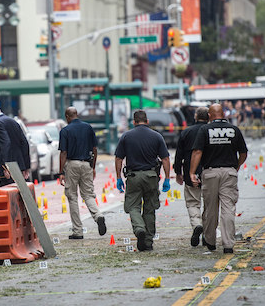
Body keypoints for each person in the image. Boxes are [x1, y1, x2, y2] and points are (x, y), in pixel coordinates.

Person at [189, 104, 247, 254]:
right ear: (223, 114)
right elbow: (243, 152)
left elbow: (197, 152)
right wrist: (236, 166)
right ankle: (228, 244)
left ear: (209, 115)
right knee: (228, 208)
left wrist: (192, 172)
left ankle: (210, 241)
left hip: (210, 173)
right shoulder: (234, 130)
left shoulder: (204, 130)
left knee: (210, 209)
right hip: (229, 172)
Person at [115, 110, 171, 251]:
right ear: (147, 121)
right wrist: (167, 178)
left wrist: (118, 178)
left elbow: (118, 158)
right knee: (150, 208)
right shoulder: (157, 136)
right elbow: (165, 159)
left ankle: (139, 229)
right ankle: (148, 241)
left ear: (133, 122)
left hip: (133, 177)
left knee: (133, 206)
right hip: (151, 176)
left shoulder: (126, 136)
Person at [58, 107, 106, 240]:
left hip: (72, 165)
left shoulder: (65, 130)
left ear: (67, 116)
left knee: (72, 197)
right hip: (87, 164)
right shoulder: (88, 127)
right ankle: (98, 216)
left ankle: (78, 231)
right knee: (88, 194)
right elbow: (95, 149)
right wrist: (93, 167)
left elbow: (63, 153)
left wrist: (61, 172)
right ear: (76, 114)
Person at [174, 106, 209, 247]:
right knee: (209, 205)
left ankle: (196, 225)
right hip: (209, 171)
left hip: (190, 171)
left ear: (195, 116)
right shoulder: (211, 132)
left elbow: (179, 155)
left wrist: (178, 172)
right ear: (208, 117)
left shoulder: (186, 132)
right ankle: (208, 234)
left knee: (193, 203)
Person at [0, 103, 30, 186]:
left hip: (8, 169)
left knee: (8, 194)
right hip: (19, 165)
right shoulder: (13, 121)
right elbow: (24, 143)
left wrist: (6, 167)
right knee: (20, 193)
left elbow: (5, 144)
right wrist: (26, 166)